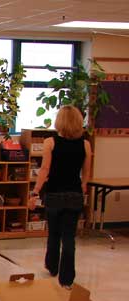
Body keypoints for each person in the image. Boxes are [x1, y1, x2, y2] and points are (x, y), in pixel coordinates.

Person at [29, 105, 92, 289]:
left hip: (54, 193)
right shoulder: (85, 145)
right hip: (74, 194)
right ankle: (66, 279)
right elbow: (86, 172)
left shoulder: (50, 142)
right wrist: (82, 187)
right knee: (69, 237)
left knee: (54, 233)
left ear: (59, 121)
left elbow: (45, 169)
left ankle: (52, 265)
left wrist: (35, 192)